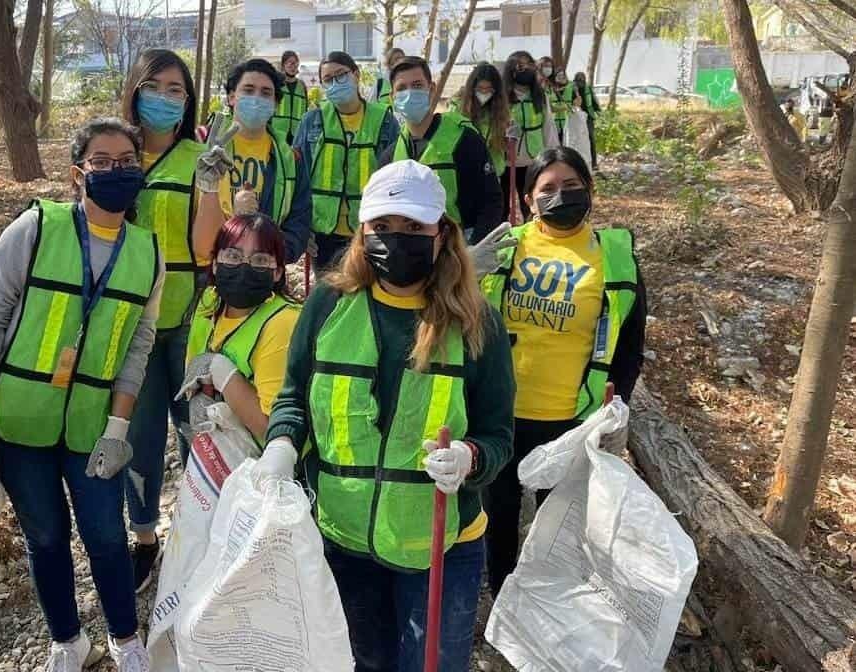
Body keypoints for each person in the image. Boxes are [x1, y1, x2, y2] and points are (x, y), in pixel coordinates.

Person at [255, 159, 514, 671]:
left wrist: (471, 457)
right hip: (342, 539)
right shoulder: (329, 303)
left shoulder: (477, 321)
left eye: (414, 228)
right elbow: (293, 395)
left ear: (442, 234)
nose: (397, 240)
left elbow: (499, 434)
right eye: (384, 227)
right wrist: (281, 446)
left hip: (440, 546)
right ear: (362, 230)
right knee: (360, 662)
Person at [0, 118, 164, 670]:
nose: (118, 170)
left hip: (94, 424)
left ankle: (125, 638)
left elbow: (138, 346)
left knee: (104, 532)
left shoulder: (148, 252)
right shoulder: (37, 227)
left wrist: (120, 426)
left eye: (128, 160)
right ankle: (67, 640)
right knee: (45, 536)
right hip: (22, 418)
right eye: (103, 160)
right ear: (78, 174)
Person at [479, 146, 647, 594]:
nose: (560, 196)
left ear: (590, 191)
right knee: (498, 515)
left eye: (571, 187)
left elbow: (630, 343)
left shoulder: (614, 253)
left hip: (570, 417)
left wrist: (619, 402)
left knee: (555, 523)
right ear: (529, 200)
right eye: (547, 189)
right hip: (502, 412)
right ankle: (501, 596)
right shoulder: (505, 247)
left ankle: (544, 599)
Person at [117, 49, 205, 592]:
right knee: (138, 435)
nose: (167, 98)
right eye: (157, 86)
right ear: (135, 88)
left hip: (188, 319)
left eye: (178, 90)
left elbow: (207, 246)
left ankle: (200, 531)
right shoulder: (115, 155)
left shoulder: (201, 157)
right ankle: (145, 536)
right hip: (128, 325)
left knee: (196, 433)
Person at [179, 213, 300, 441]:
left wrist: (223, 373)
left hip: (261, 465)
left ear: (278, 272)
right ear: (215, 264)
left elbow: (273, 431)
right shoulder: (209, 302)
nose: (245, 267)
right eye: (233, 256)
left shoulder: (283, 323)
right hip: (213, 448)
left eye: (260, 260)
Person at [194, 58, 311, 265]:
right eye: (248, 90)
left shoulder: (291, 158)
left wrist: (270, 255)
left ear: (275, 104)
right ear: (231, 97)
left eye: (266, 93)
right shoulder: (202, 145)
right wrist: (232, 219)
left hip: (263, 271)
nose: (257, 98)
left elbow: (299, 223)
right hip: (208, 268)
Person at [379, 56, 503, 245]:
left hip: (458, 248)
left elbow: (491, 201)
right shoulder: (390, 155)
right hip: (411, 251)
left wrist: (476, 248)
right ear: (392, 98)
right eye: (402, 88)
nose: (410, 93)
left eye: (417, 85)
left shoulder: (464, 139)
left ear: (432, 89)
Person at [294, 51, 400, 268]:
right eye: (328, 80)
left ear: (356, 74)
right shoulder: (313, 121)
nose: (335, 83)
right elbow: (297, 177)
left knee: (367, 293)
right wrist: (302, 228)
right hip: (323, 232)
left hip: (370, 229)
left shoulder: (385, 122)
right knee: (330, 295)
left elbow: (395, 179)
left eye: (341, 75)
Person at [502, 50, 559, 222]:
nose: (525, 69)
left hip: (533, 160)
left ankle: (531, 236)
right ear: (511, 69)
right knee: (503, 205)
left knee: (530, 203)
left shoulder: (539, 96)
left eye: (528, 65)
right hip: (506, 161)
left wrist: (552, 157)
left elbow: (548, 127)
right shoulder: (503, 97)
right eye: (520, 65)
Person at [451, 62, 511, 219]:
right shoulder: (458, 106)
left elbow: (501, 147)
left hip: (491, 173)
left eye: (489, 90)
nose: (484, 94)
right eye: (480, 89)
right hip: (464, 172)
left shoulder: (499, 111)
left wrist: (507, 136)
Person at [272, 50, 309, 145]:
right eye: (290, 64)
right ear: (283, 65)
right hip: (278, 130)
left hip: (297, 132)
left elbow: (305, 109)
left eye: (296, 64)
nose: (293, 67)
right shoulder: (277, 83)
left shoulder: (302, 85)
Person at [574, 71, 601, 169]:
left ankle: (594, 163)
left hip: (588, 117)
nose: (581, 81)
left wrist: (598, 110)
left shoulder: (588, 88)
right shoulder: (573, 88)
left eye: (582, 79)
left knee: (591, 139)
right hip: (577, 117)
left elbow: (594, 100)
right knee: (578, 140)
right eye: (578, 79)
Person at [548, 66, 581, 141]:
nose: (561, 77)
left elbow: (579, 100)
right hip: (553, 123)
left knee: (567, 144)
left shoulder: (572, 86)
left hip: (568, 121)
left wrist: (575, 104)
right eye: (558, 75)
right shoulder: (549, 87)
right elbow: (549, 107)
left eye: (563, 75)